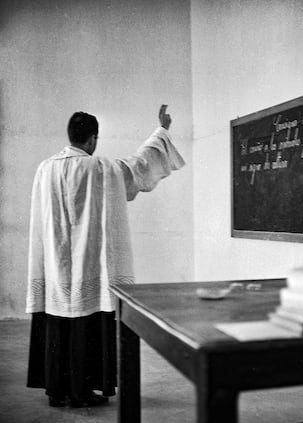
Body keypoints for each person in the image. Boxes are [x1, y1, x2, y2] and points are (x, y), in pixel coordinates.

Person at [26, 105, 185, 407]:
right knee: (87, 323)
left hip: (55, 265)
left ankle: (56, 390)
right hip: (90, 265)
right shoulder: (100, 169)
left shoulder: (44, 168)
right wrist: (161, 130)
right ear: (92, 139)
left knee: (58, 322)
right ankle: (81, 391)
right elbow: (138, 167)